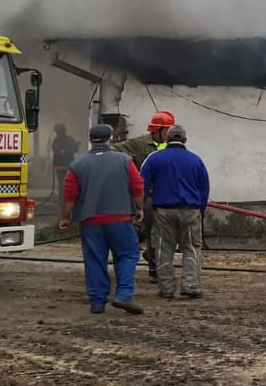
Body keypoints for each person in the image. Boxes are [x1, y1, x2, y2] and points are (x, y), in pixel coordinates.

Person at [59, 124, 145, 315]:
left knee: (94, 259)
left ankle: (97, 302)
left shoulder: (77, 165)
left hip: (91, 222)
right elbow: (137, 186)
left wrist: (65, 218)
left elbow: (70, 194)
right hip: (120, 219)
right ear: (110, 139)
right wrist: (139, 208)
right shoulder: (124, 160)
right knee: (127, 255)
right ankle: (123, 295)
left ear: (90, 140)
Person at [141, 125, 210, 300]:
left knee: (163, 249)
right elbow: (204, 188)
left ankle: (166, 288)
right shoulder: (196, 160)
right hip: (190, 210)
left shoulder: (154, 158)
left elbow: (142, 185)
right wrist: (200, 209)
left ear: (167, 139)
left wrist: (139, 208)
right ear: (185, 140)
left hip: (163, 211)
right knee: (191, 248)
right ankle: (190, 285)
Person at [116, 110, 177, 283]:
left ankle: (153, 261)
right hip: (147, 197)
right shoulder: (139, 144)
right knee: (148, 232)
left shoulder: (172, 145)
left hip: (167, 196)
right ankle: (151, 267)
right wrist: (131, 173)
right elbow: (115, 150)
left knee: (164, 233)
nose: (169, 133)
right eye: (167, 129)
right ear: (157, 130)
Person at [49, 123, 79, 202]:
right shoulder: (68, 139)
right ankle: (65, 200)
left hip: (62, 165)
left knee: (62, 183)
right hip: (67, 165)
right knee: (66, 183)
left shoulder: (57, 140)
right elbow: (75, 148)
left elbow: (55, 149)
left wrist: (64, 151)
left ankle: (62, 200)